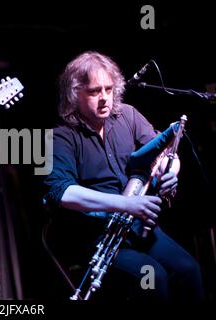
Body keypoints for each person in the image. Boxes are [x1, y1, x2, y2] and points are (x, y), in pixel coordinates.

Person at [43, 51, 204, 302]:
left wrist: (171, 170)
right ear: (75, 95)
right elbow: (62, 193)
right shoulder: (60, 137)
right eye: (95, 91)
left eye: (109, 89)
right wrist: (127, 204)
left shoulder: (128, 115)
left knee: (188, 271)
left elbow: (163, 153)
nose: (105, 98)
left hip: (136, 228)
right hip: (93, 235)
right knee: (153, 278)